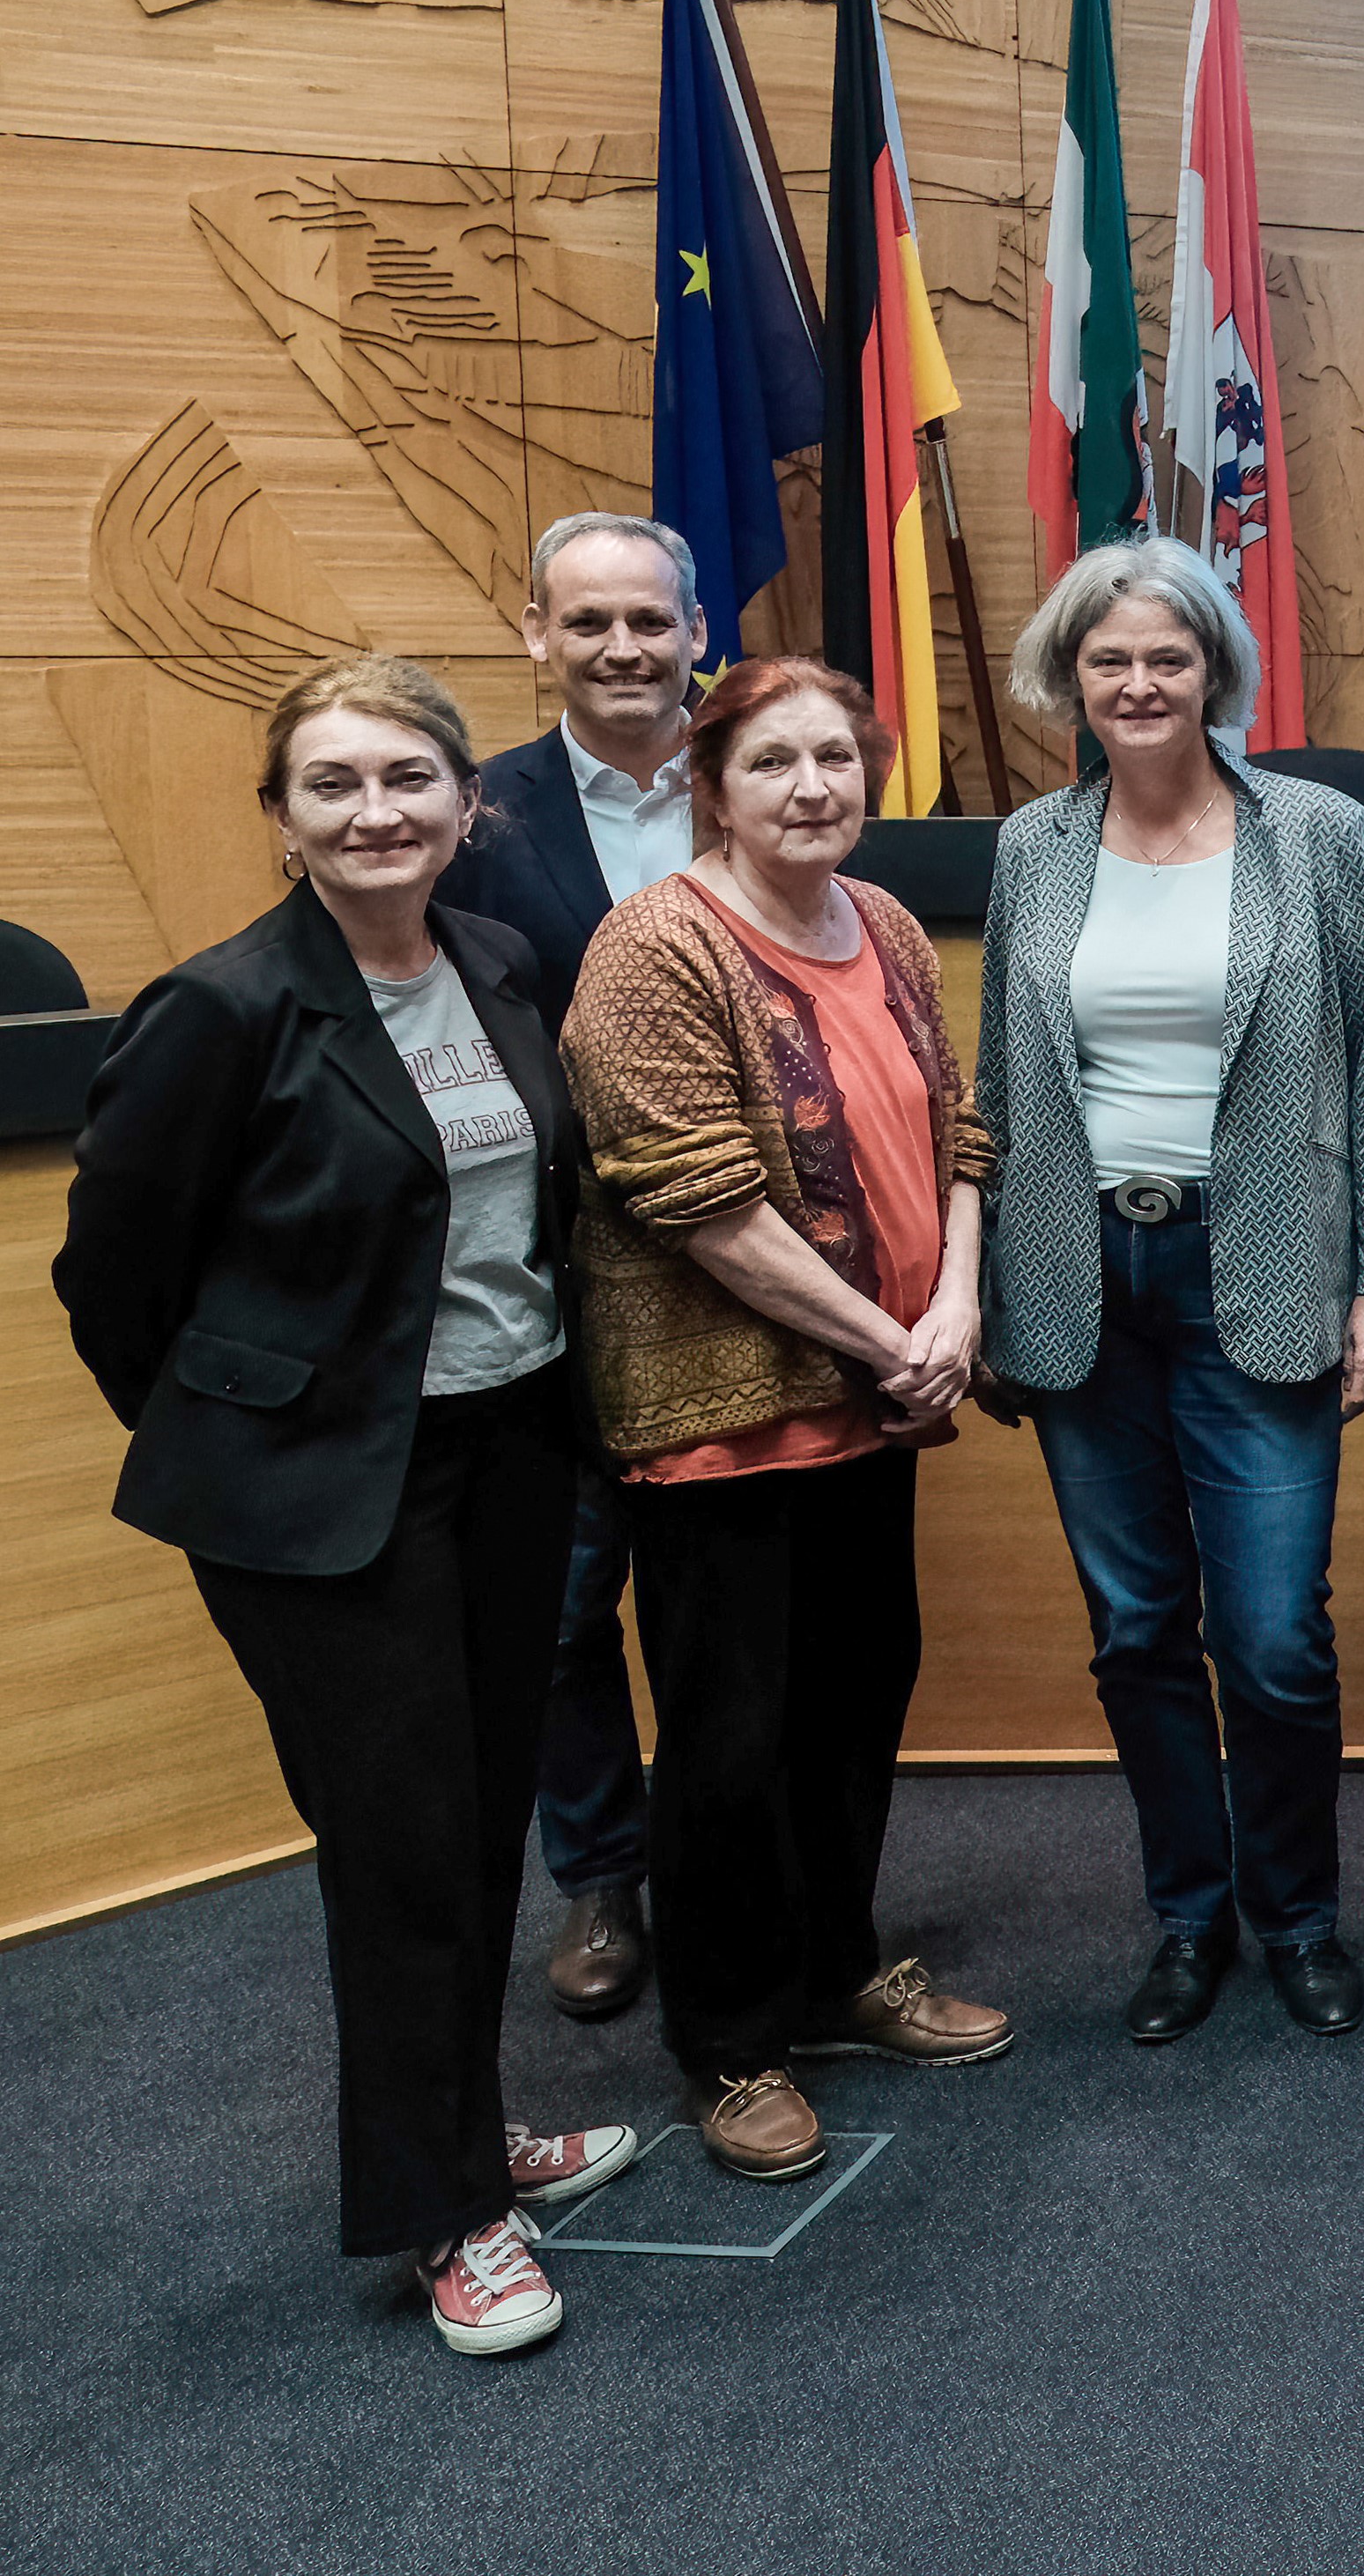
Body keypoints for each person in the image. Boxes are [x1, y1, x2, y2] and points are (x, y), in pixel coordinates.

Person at [56, 655, 633, 2356]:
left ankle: (466, 2129)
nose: (376, 811)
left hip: (507, 1448)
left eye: (407, 778)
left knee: (484, 1810)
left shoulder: (497, 959)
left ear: (467, 803)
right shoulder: (223, 1008)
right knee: (400, 1846)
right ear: (282, 814)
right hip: (321, 1491)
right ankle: (442, 2211)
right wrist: (254, 1434)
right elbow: (114, 1278)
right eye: (334, 783)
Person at [560, 657, 1008, 2182]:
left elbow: (956, 1132)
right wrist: (899, 1341)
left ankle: (833, 1975)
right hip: (724, 1423)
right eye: (773, 761)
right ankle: (732, 2040)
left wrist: (957, 1307)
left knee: (856, 1696)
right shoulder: (652, 947)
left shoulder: (882, 920)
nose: (813, 786)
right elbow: (699, 1202)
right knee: (731, 1739)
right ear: (712, 785)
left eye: (837, 757)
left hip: (878, 1401)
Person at [980, 541, 1364, 2044]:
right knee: (1135, 1629)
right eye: (1109, 658)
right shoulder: (1034, 845)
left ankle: (1297, 1914)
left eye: (1167, 655)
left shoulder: (1315, 832)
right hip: (1079, 1272)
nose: (1139, 682)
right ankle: (1189, 1914)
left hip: (1268, 1261)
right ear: (1073, 676)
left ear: (1214, 670)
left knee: (1275, 1636)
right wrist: (978, 1284)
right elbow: (1003, 1084)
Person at [447, 515, 712, 2029]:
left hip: (742, 1268)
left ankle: (727, 1859)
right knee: (560, 1605)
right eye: (590, 620)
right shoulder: (475, 813)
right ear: (536, 633)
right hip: (551, 1272)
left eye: (650, 619)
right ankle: (603, 1873)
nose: (624, 647)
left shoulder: (765, 772)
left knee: (720, 1596)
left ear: (696, 632)